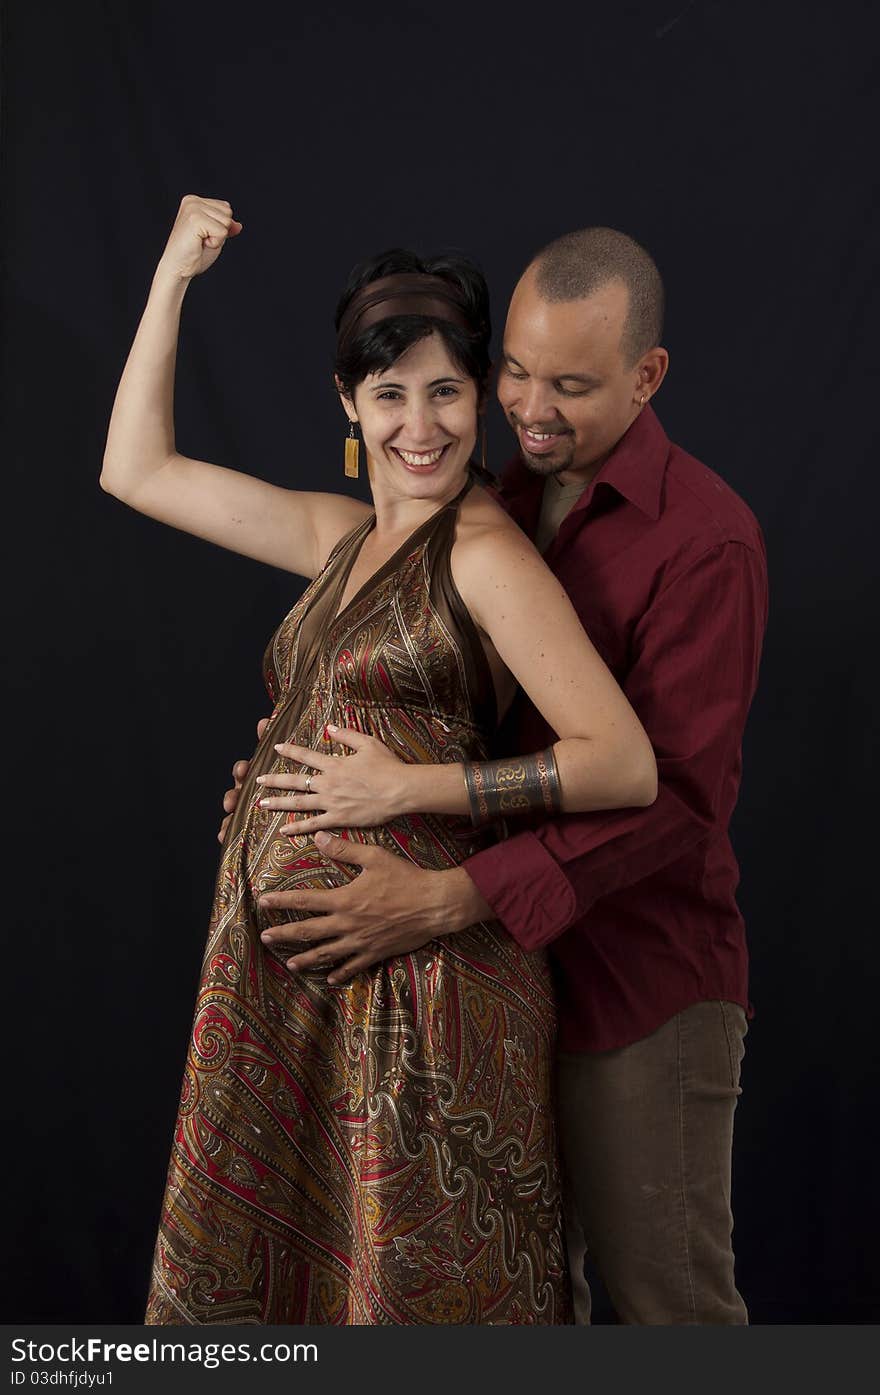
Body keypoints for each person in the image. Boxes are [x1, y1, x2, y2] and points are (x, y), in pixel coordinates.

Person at [100, 196, 658, 1325]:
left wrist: (412, 789)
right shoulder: (344, 535)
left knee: (412, 1302)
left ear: (477, 401)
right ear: (349, 405)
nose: (423, 425)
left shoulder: (487, 553)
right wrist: (170, 280)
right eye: (391, 394)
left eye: (448, 391)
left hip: (423, 992)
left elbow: (620, 763)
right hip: (305, 994)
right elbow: (137, 471)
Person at [225, 227, 768, 1325]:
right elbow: (432, 695)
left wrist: (450, 888)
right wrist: (296, 770)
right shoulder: (498, 496)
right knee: (524, 1296)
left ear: (646, 377)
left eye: (569, 385)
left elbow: (673, 799)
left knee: (668, 1301)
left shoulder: (707, 542)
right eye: (513, 372)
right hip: (482, 980)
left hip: (636, 980)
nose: (530, 406)